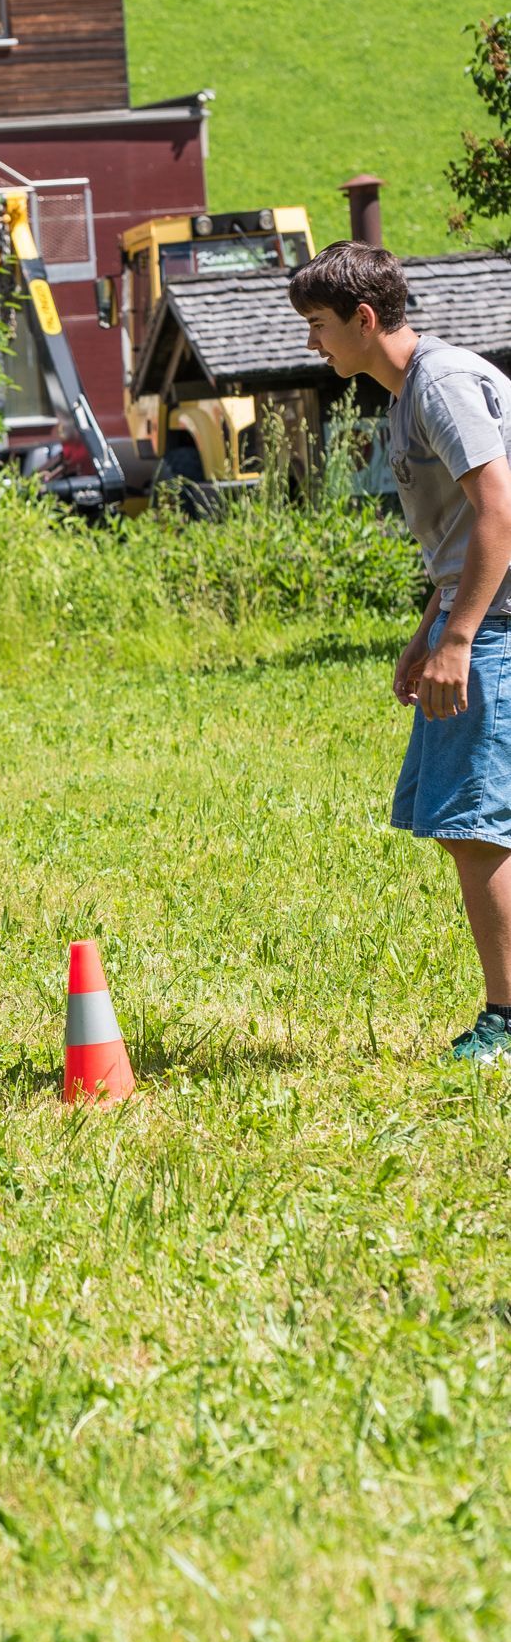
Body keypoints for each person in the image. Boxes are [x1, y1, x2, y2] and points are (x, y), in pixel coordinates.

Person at [289, 241, 511, 1062]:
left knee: (475, 825)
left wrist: (459, 637)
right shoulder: (408, 392)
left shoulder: (440, 384)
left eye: (318, 324)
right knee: (472, 821)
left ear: (363, 318)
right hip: (478, 613)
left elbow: (499, 511)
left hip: (498, 622)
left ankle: (505, 1019)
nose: (311, 341)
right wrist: (427, 631)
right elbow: (461, 533)